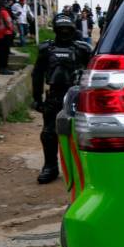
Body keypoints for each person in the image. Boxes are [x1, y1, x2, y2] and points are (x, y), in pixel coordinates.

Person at [32, 13, 92, 184]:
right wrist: (36, 98)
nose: (65, 32)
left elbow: (91, 73)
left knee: (81, 132)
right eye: (61, 29)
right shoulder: (46, 49)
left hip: (76, 95)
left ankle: (82, 167)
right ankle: (50, 166)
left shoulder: (82, 49)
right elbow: (37, 74)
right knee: (49, 133)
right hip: (54, 95)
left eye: (68, 28)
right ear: (56, 29)